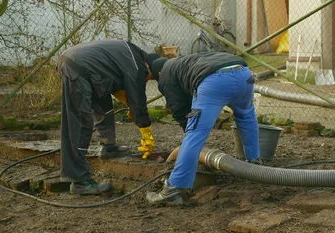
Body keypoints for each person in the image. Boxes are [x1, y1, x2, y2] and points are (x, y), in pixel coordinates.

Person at [145, 52, 261, 206]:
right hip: (243, 73)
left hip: (215, 80)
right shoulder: (184, 61)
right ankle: (255, 165)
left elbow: (179, 109)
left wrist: (189, 133)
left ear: (158, 73)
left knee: (195, 134)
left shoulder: (165, 74)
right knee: (246, 117)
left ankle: (172, 189)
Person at [56, 39, 161, 195]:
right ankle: (79, 181)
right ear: (148, 67)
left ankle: (108, 146)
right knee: (80, 121)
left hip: (84, 67)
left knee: (103, 106)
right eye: (149, 78)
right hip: (78, 67)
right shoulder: (138, 65)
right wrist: (146, 130)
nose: (146, 80)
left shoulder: (132, 53)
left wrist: (129, 104)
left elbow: (117, 84)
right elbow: (137, 98)